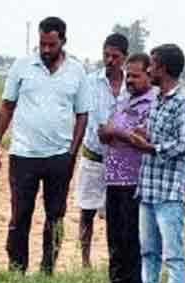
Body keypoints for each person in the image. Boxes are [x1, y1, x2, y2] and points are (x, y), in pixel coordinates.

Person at [0, 17, 90, 275]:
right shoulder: (22, 67)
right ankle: (16, 270)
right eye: (42, 44)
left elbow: (82, 115)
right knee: (20, 215)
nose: (45, 50)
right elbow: (7, 107)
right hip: (23, 156)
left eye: (51, 45)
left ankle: (47, 271)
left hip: (59, 157)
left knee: (55, 217)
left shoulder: (77, 71)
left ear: (63, 42)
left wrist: (72, 153)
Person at [122, 43, 185, 283]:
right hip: (150, 188)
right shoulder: (158, 100)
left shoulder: (184, 105)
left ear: (163, 69)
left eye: (152, 65)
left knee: (173, 256)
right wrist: (146, 135)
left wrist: (152, 146)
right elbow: (159, 138)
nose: (149, 69)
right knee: (149, 252)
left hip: (169, 192)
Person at [100, 52, 157, 283]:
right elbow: (108, 128)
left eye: (135, 76)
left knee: (131, 236)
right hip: (113, 178)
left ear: (149, 75)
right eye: (128, 76)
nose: (130, 80)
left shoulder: (152, 104)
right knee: (114, 233)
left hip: (134, 179)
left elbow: (145, 139)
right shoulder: (124, 100)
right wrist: (108, 131)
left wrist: (116, 131)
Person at [76, 33, 128, 269]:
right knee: (87, 212)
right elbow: (85, 117)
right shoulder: (89, 82)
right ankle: (85, 262)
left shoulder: (133, 83)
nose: (109, 60)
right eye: (106, 55)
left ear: (124, 58)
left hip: (121, 161)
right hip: (93, 157)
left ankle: (113, 262)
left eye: (115, 56)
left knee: (116, 216)